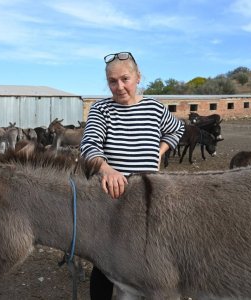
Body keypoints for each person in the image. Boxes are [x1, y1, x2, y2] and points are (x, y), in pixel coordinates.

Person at [79, 51, 185, 299]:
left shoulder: (154, 108)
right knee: (105, 261)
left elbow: (177, 129)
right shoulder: (101, 110)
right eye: (112, 81)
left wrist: (160, 150)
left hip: (150, 198)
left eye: (125, 79)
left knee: (150, 256)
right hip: (112, 199)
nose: (119, 87)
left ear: (138, 77)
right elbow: (89, 146)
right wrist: (107, 170)